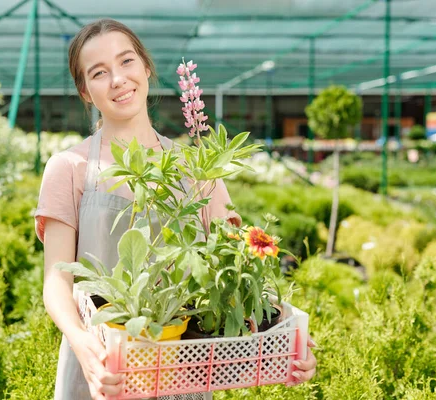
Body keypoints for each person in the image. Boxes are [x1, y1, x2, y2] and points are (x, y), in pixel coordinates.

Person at [35, 18, 317, 400]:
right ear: (85, 91)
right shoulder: (69, 167)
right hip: (103, 367)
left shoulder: (198, 168)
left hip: (183, 370)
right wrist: (83, 345)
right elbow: (56, 282)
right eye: (99, 73)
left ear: (146, 68)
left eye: (127, 61)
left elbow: (234, 271)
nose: (118, 79)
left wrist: (287, 338)